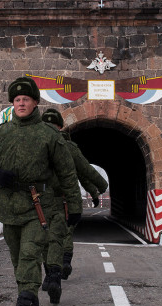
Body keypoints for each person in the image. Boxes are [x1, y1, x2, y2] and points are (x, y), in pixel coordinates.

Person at [0, 77, 82, 306]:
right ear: (13, 103)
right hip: (9, 208)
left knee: (30, 257)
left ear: (35, 102)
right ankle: (30, 296)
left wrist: (75, 206)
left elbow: (67, 172)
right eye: (17, 100)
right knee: (17, 259)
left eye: (26, 99)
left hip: (39, 207)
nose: (21, 103)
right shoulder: (1, 133)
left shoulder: (49, 135)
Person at [41, 109, 108, 281]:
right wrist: (99, 187)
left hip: (42, 200)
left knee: (47, 236)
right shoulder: (68, 147)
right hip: (64, 199)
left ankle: (51, 271)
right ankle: (63, 263)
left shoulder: (37, 145)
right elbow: (84, 172)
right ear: (60, 126)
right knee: (65, 232)